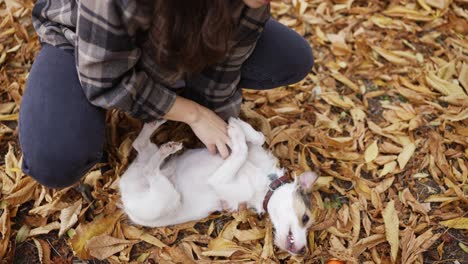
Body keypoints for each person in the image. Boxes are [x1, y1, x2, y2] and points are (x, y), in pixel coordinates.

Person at [19, 0, 314, 188]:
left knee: (291, 58)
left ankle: (162, 78)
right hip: (84, 43)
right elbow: (104, 79)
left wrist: (227, 130)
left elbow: (224, 72)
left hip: (183, 30)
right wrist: (193, 114)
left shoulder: (252, 5)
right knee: (55, 159)